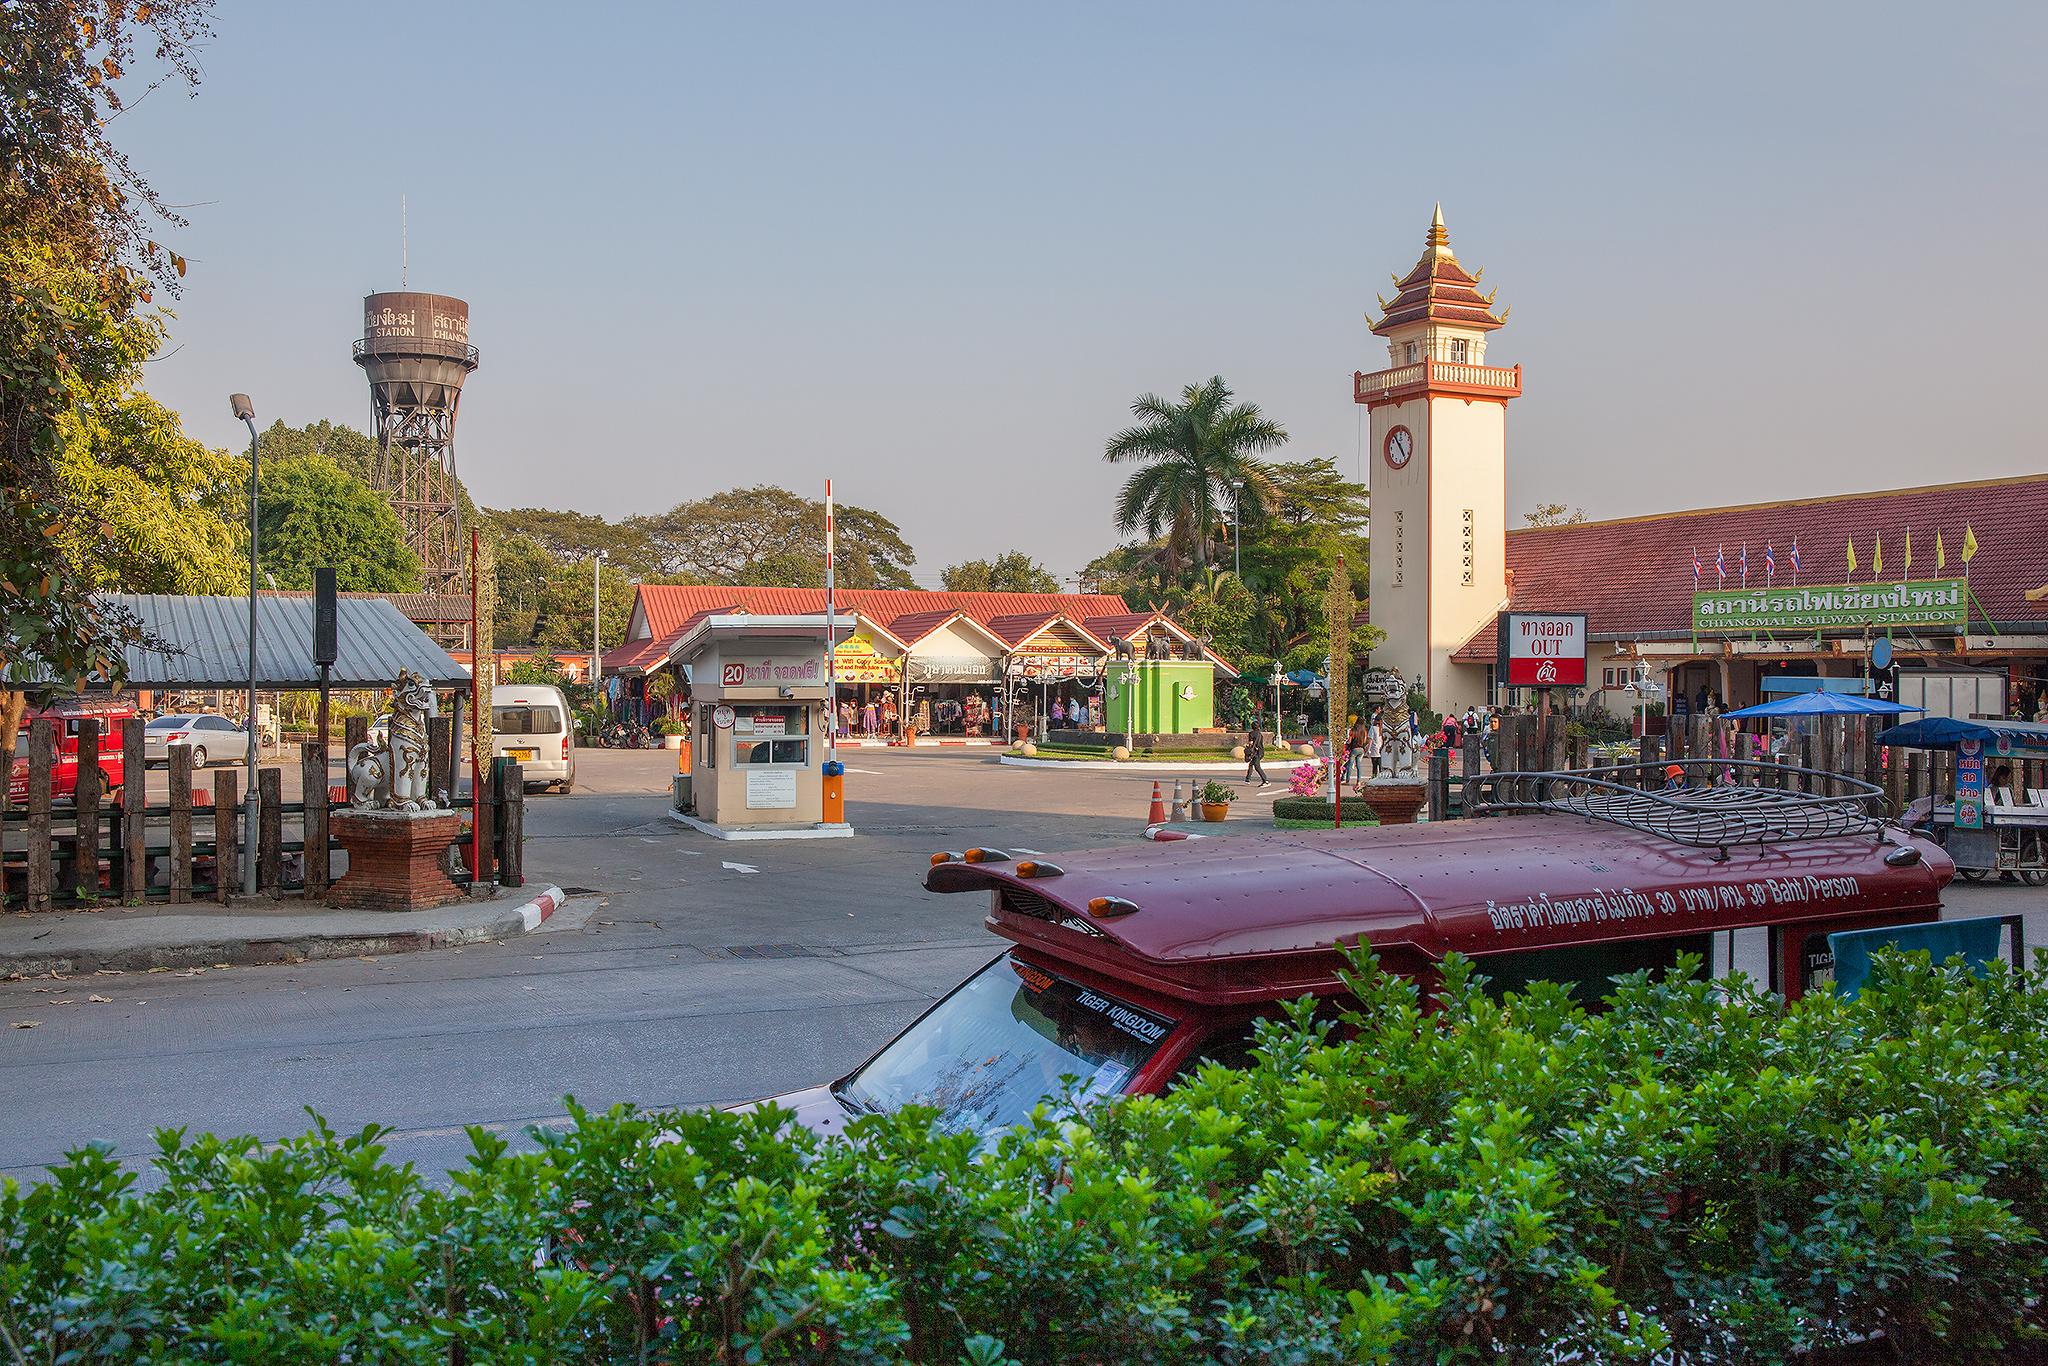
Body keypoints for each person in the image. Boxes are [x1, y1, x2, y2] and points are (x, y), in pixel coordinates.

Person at [1245, 715, 1269, 787]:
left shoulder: (1251, 733)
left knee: (1257, 767)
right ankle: (1247, 779)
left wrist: (1247, 747)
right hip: (1261, 751)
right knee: (1251, 764)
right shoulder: (1260, 734)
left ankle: (1265, 781)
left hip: (1255, 752)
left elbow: (1251, 743)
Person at [1344, 716, 1368, 783]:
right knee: (1358, 765)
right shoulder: (1364, 731)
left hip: (1354, 749)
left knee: (1350, 764)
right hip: (1361, 749)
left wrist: (1346, 743)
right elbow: (1365, 740)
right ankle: (1358, 781)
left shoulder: (1353, 730)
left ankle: (1347, 780)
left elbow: (1349, 741)